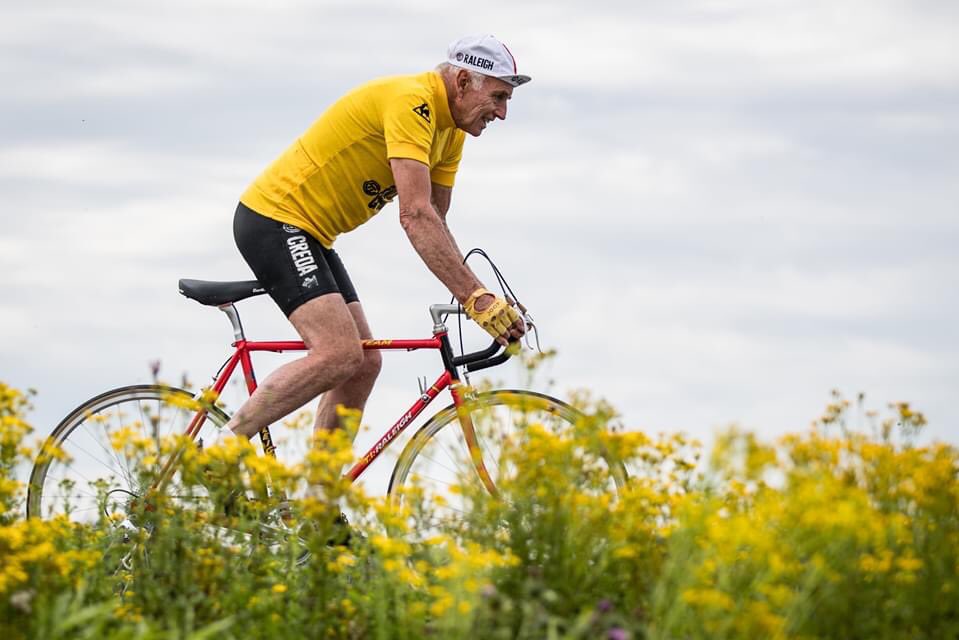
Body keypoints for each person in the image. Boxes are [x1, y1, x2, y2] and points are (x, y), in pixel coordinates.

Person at [224, 34, 531, 441]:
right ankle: (218, 450)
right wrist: (476, 299)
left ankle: (319, 500)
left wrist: (481, 295)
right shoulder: (413, 103)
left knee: (364, 363)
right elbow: (415, 215)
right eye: (497, 96)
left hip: (312, 234)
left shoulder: (451, 132)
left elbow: (436, 218)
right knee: (338, 353)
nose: (503, 113)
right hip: (274, 219)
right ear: (461, 82)